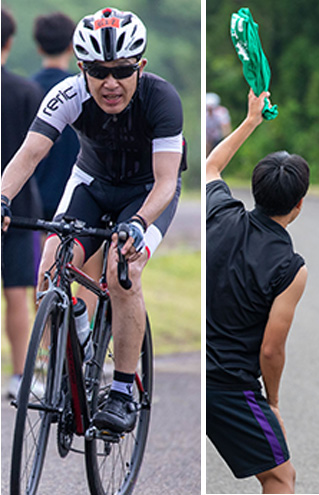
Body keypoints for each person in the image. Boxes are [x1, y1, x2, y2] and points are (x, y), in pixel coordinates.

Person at [1, 7, 185, 434]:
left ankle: (122, 390)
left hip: (147, 193)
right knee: (49, 266)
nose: (110, 83)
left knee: (124, 270)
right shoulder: (67, 95)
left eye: (122, 71)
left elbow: (165, 182)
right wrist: (3, 198)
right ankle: (80, 336)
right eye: (98, 72)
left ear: (139, 66)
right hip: (93, 183)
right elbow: (28, 155)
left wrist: (137, 223)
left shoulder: (162, 100)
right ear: (81, 67)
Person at [206, 89, 308, 494]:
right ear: (299, 203)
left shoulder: (220, 211)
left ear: (253, 190)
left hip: (199, 373)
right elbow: (271, 351)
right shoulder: (290, 267)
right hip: (228, 384)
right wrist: (274, 402)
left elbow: (213, 165)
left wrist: (250, 121)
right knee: (281, 477)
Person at [1, 7, 44, 400]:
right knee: (18, 291)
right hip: (18, 210)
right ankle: (19, 377)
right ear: (10, 43)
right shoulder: (26, 90)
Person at [31, 11, 79, 222]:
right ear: (72, 46)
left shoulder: (28, 90)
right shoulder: (84, 91)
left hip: (34, 203)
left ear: (39, 48)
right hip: (77, 201)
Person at [206, 92, 231, 156]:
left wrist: (226, 143)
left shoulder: (221, 112)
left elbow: (225, 128)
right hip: (208, 139)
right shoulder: (205, 115)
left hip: (218, 138)